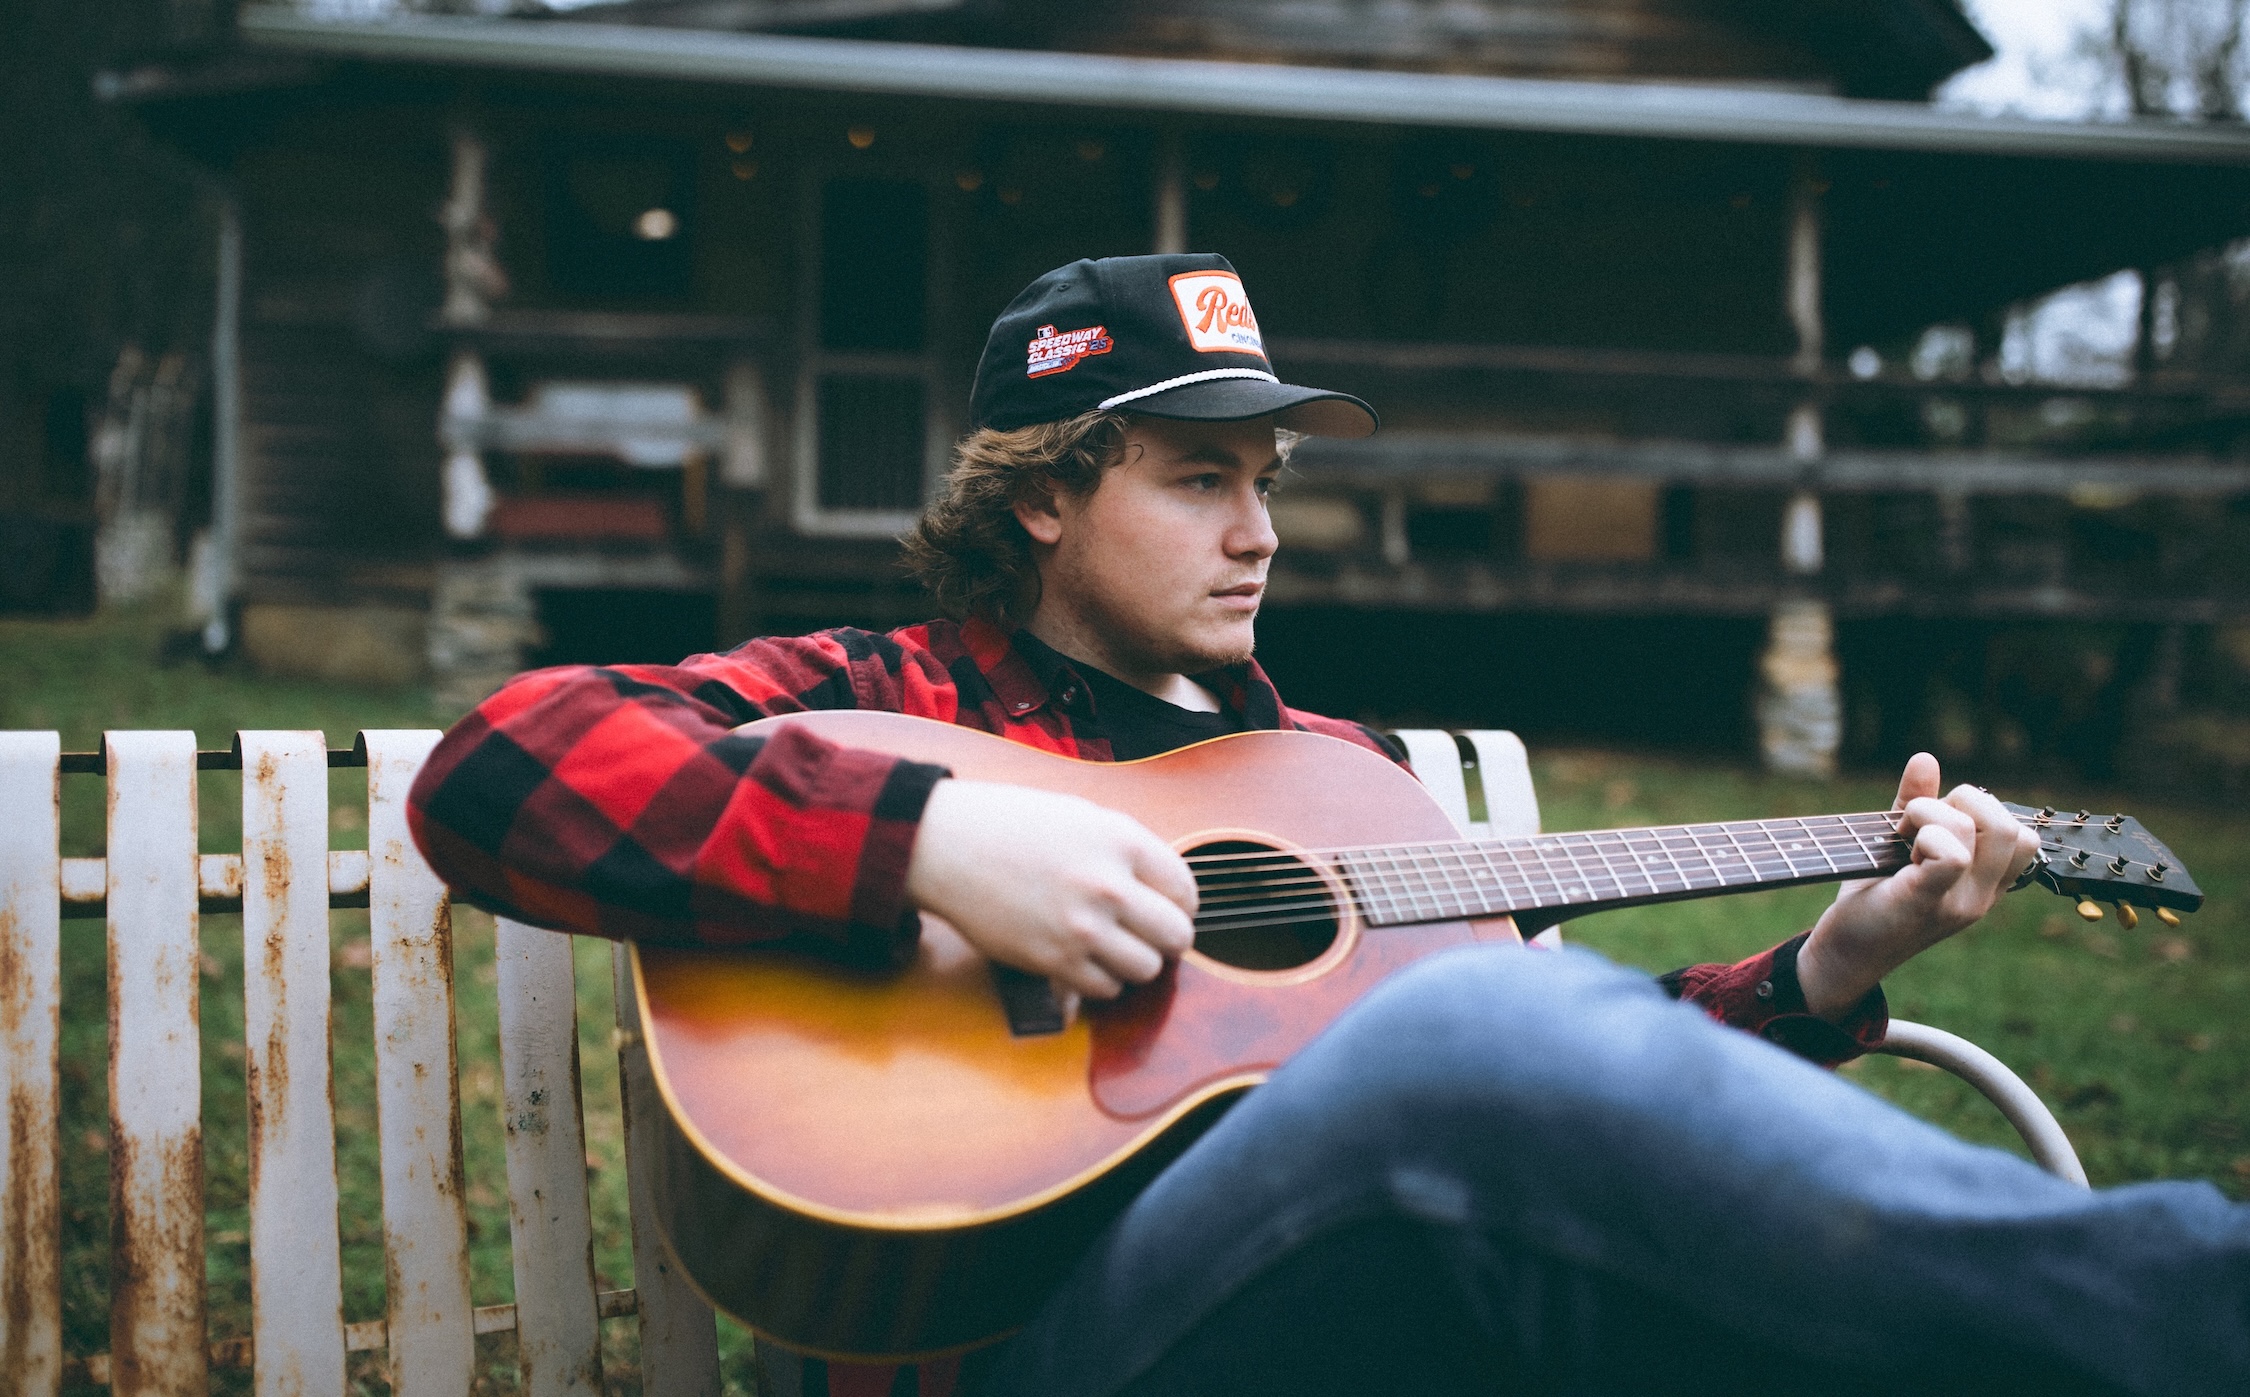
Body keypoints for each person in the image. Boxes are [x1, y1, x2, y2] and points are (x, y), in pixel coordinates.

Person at [409, 255, 2250, 1395]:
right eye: (1197, 477)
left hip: (1367, 1323)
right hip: (1025, 1350)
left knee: (1499, 1042)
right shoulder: (887, 698)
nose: (1261, 531)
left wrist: (1834, 964)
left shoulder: (1330, 773)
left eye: (1267, 480)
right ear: (1043, 497)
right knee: (1478, 1040)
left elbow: (1565, 1119)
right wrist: (924, 842)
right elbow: (502, 762)